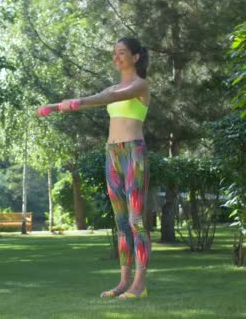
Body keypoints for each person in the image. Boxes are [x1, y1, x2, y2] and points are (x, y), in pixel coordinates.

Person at [36, 37, 151, 300]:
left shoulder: (140, 85)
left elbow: (109, 97)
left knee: (136, 221)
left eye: (122, 52)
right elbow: (106, 95)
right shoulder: (112, 86)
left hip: (134, 153)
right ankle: (123, 282)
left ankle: (140, 284)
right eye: (114, 53)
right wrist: (56, 107)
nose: (117, 57)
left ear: (135, 57)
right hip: (113, 155)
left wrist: (70, 103)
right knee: (122, 223)